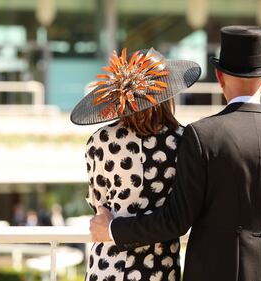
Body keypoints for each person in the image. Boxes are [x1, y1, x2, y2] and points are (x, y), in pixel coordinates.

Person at [90, 26, 261, 281]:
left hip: (210, 270)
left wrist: (112, 229)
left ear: (220, 77)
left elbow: (177, 218)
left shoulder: (201, 136)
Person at [71, 47, 201, 281]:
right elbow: (182, 213)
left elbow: (99, 206)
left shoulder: (100, 141)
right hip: (159, 268)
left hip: (107, 266)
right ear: (165, 95)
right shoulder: (183, 141)